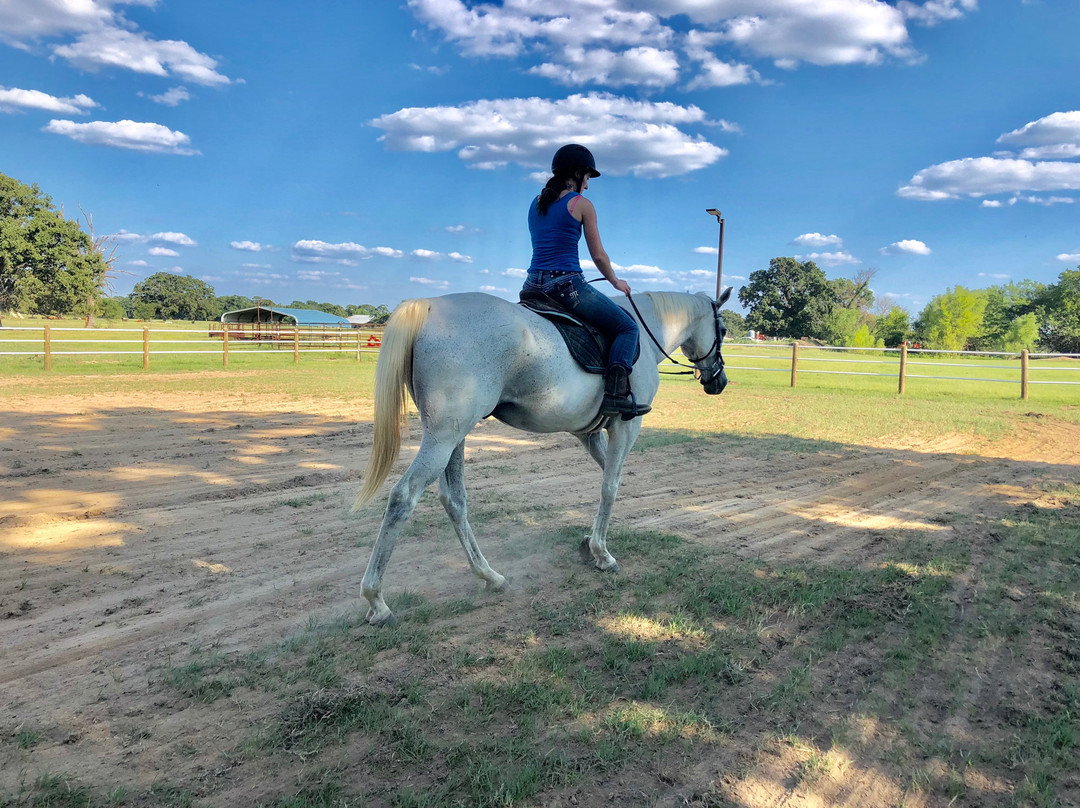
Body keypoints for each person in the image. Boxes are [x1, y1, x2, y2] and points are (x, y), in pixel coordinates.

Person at [522, 144, 650, 419]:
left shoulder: (536, 203)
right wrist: (616, 281)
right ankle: (616, 394)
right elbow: (599, 256)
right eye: (588, 178)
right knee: (627, 327)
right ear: (578, 173)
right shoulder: (582, 205)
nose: (588, 185)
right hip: (566, 287)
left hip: (532, 285)